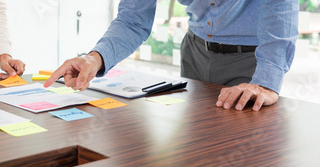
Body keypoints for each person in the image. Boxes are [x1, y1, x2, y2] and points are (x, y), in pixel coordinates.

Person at [44, 0, 298, 111]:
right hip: (196, 52)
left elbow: (280, 15)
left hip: (253, 59)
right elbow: (133, 20)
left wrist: (266, 82)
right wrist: (94, 57)